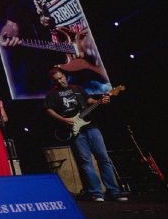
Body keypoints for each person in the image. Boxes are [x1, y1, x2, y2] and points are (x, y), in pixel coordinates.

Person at [0, 0, 106, 95]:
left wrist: (91, 36)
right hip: (64, 60)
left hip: (94, 50)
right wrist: (7, 35)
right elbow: (11, 24)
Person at [44, 67, 127, 202]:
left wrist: (100, 101)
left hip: (91, 127)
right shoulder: (52, 94)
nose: (59, 81)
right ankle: (97, 193)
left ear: (65, 76)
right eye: (56, 80)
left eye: (60, 78)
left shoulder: (77, 88)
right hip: (75, 130)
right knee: (85, 161)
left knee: (104, 158)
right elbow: (48, 110)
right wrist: (63, 119)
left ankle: (114, 191)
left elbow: (89, 101)